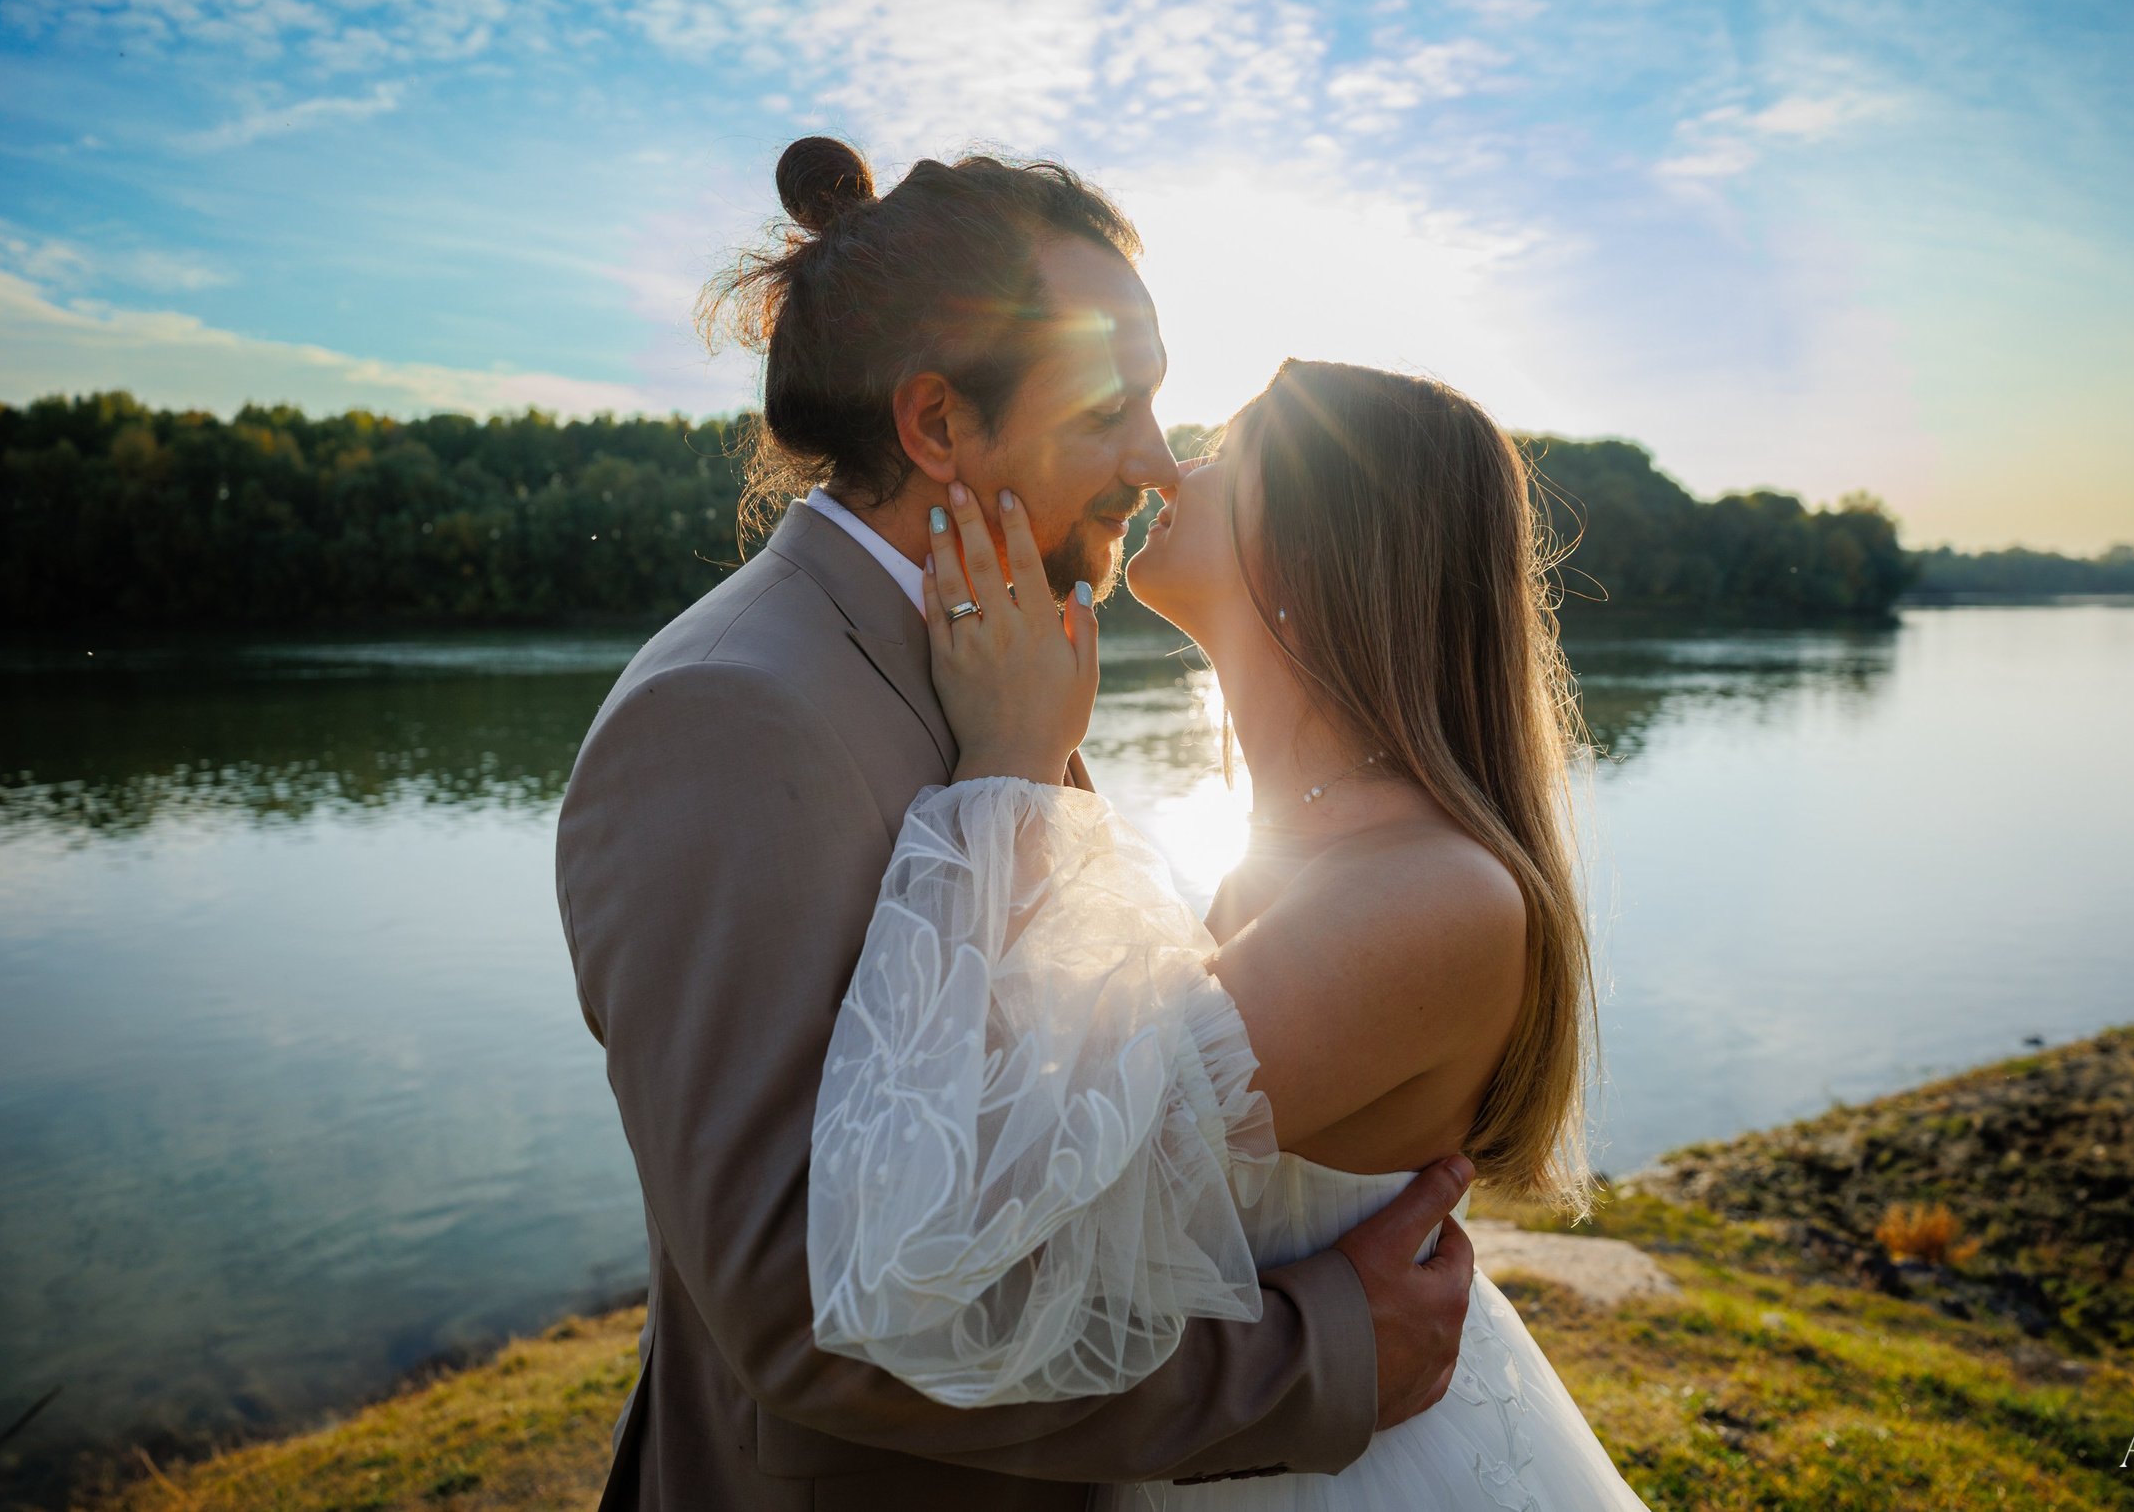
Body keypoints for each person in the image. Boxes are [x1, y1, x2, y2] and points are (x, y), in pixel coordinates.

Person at [556, 137, 1477, 1512]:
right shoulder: (730, 715)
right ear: (936, 424)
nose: (1158, 461)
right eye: (1114, 406)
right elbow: (807, 1308)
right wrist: (1320, 1354)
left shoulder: (991, 658)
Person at [807, 348, 1652, 1509]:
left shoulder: (1430, 894)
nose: (1169, 470)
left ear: (1327, 534)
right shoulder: (1303, 855)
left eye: (1223, 453)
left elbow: (996, 1207)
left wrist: (1010, 764)